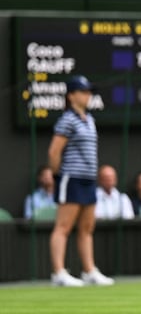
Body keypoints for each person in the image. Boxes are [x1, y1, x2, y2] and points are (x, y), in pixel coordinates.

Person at [48, 75, 114, 287]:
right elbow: (54, 151)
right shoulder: (67, 119)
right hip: (71, 177)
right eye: (84, 92)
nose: (88, 96)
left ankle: (89, 271)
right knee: (64, 226)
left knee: (87, 227)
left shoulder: (90, 119)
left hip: (88, 178)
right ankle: (58, 272)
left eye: (89, 92)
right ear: (71, 96)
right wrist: (58, 175)